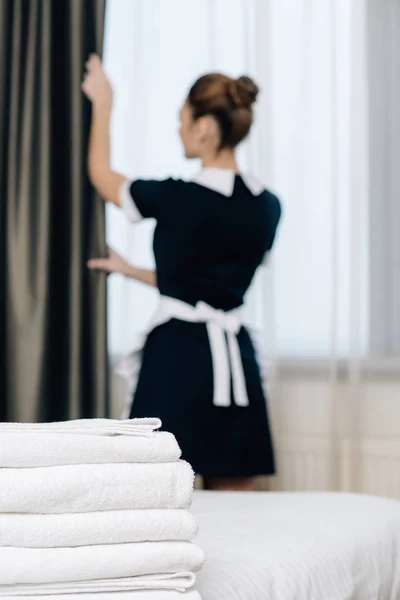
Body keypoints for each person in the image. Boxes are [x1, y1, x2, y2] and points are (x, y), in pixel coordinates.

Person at [82, 54, 282, 491]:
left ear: (204, 127)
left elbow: (101, 176)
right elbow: (205, 281)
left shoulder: (175, 198)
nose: (178, 129)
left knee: (153, 489)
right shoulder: (268, 206)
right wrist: (131, 270)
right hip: (236, 360)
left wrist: (104, 102)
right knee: (240, 504)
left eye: (182, 119)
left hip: (179, 356)